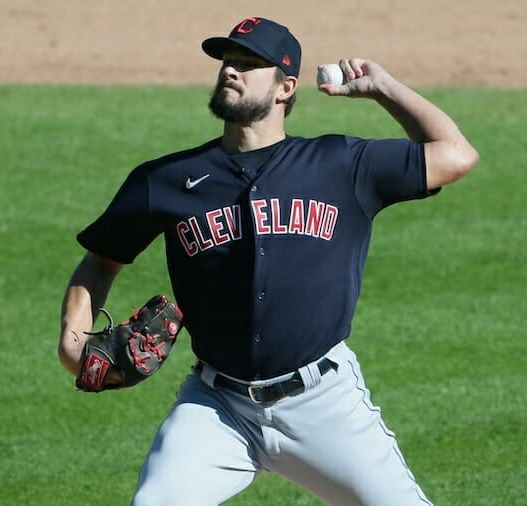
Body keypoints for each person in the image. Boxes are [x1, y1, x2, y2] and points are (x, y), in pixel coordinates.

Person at [58, 16, 478, 505]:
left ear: (286, 88)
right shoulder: (167, 179)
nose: (230, 70)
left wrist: (383, 88)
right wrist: (73, 344)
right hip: (218, 406)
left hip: (324, 405)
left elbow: (456, 154)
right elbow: (101, 261)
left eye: (248, 63)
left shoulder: (341, 165)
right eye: (227, 61)